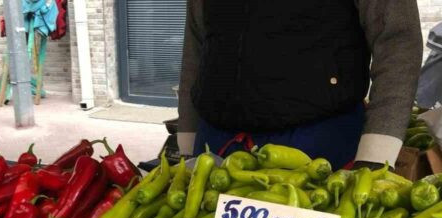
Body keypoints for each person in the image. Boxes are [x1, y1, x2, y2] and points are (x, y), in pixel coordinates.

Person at [177, 1, 424, 169]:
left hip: (317, 146)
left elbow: (398, 42)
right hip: (215, 143)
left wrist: (376, 155)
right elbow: (197, 43)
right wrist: (187, 140)